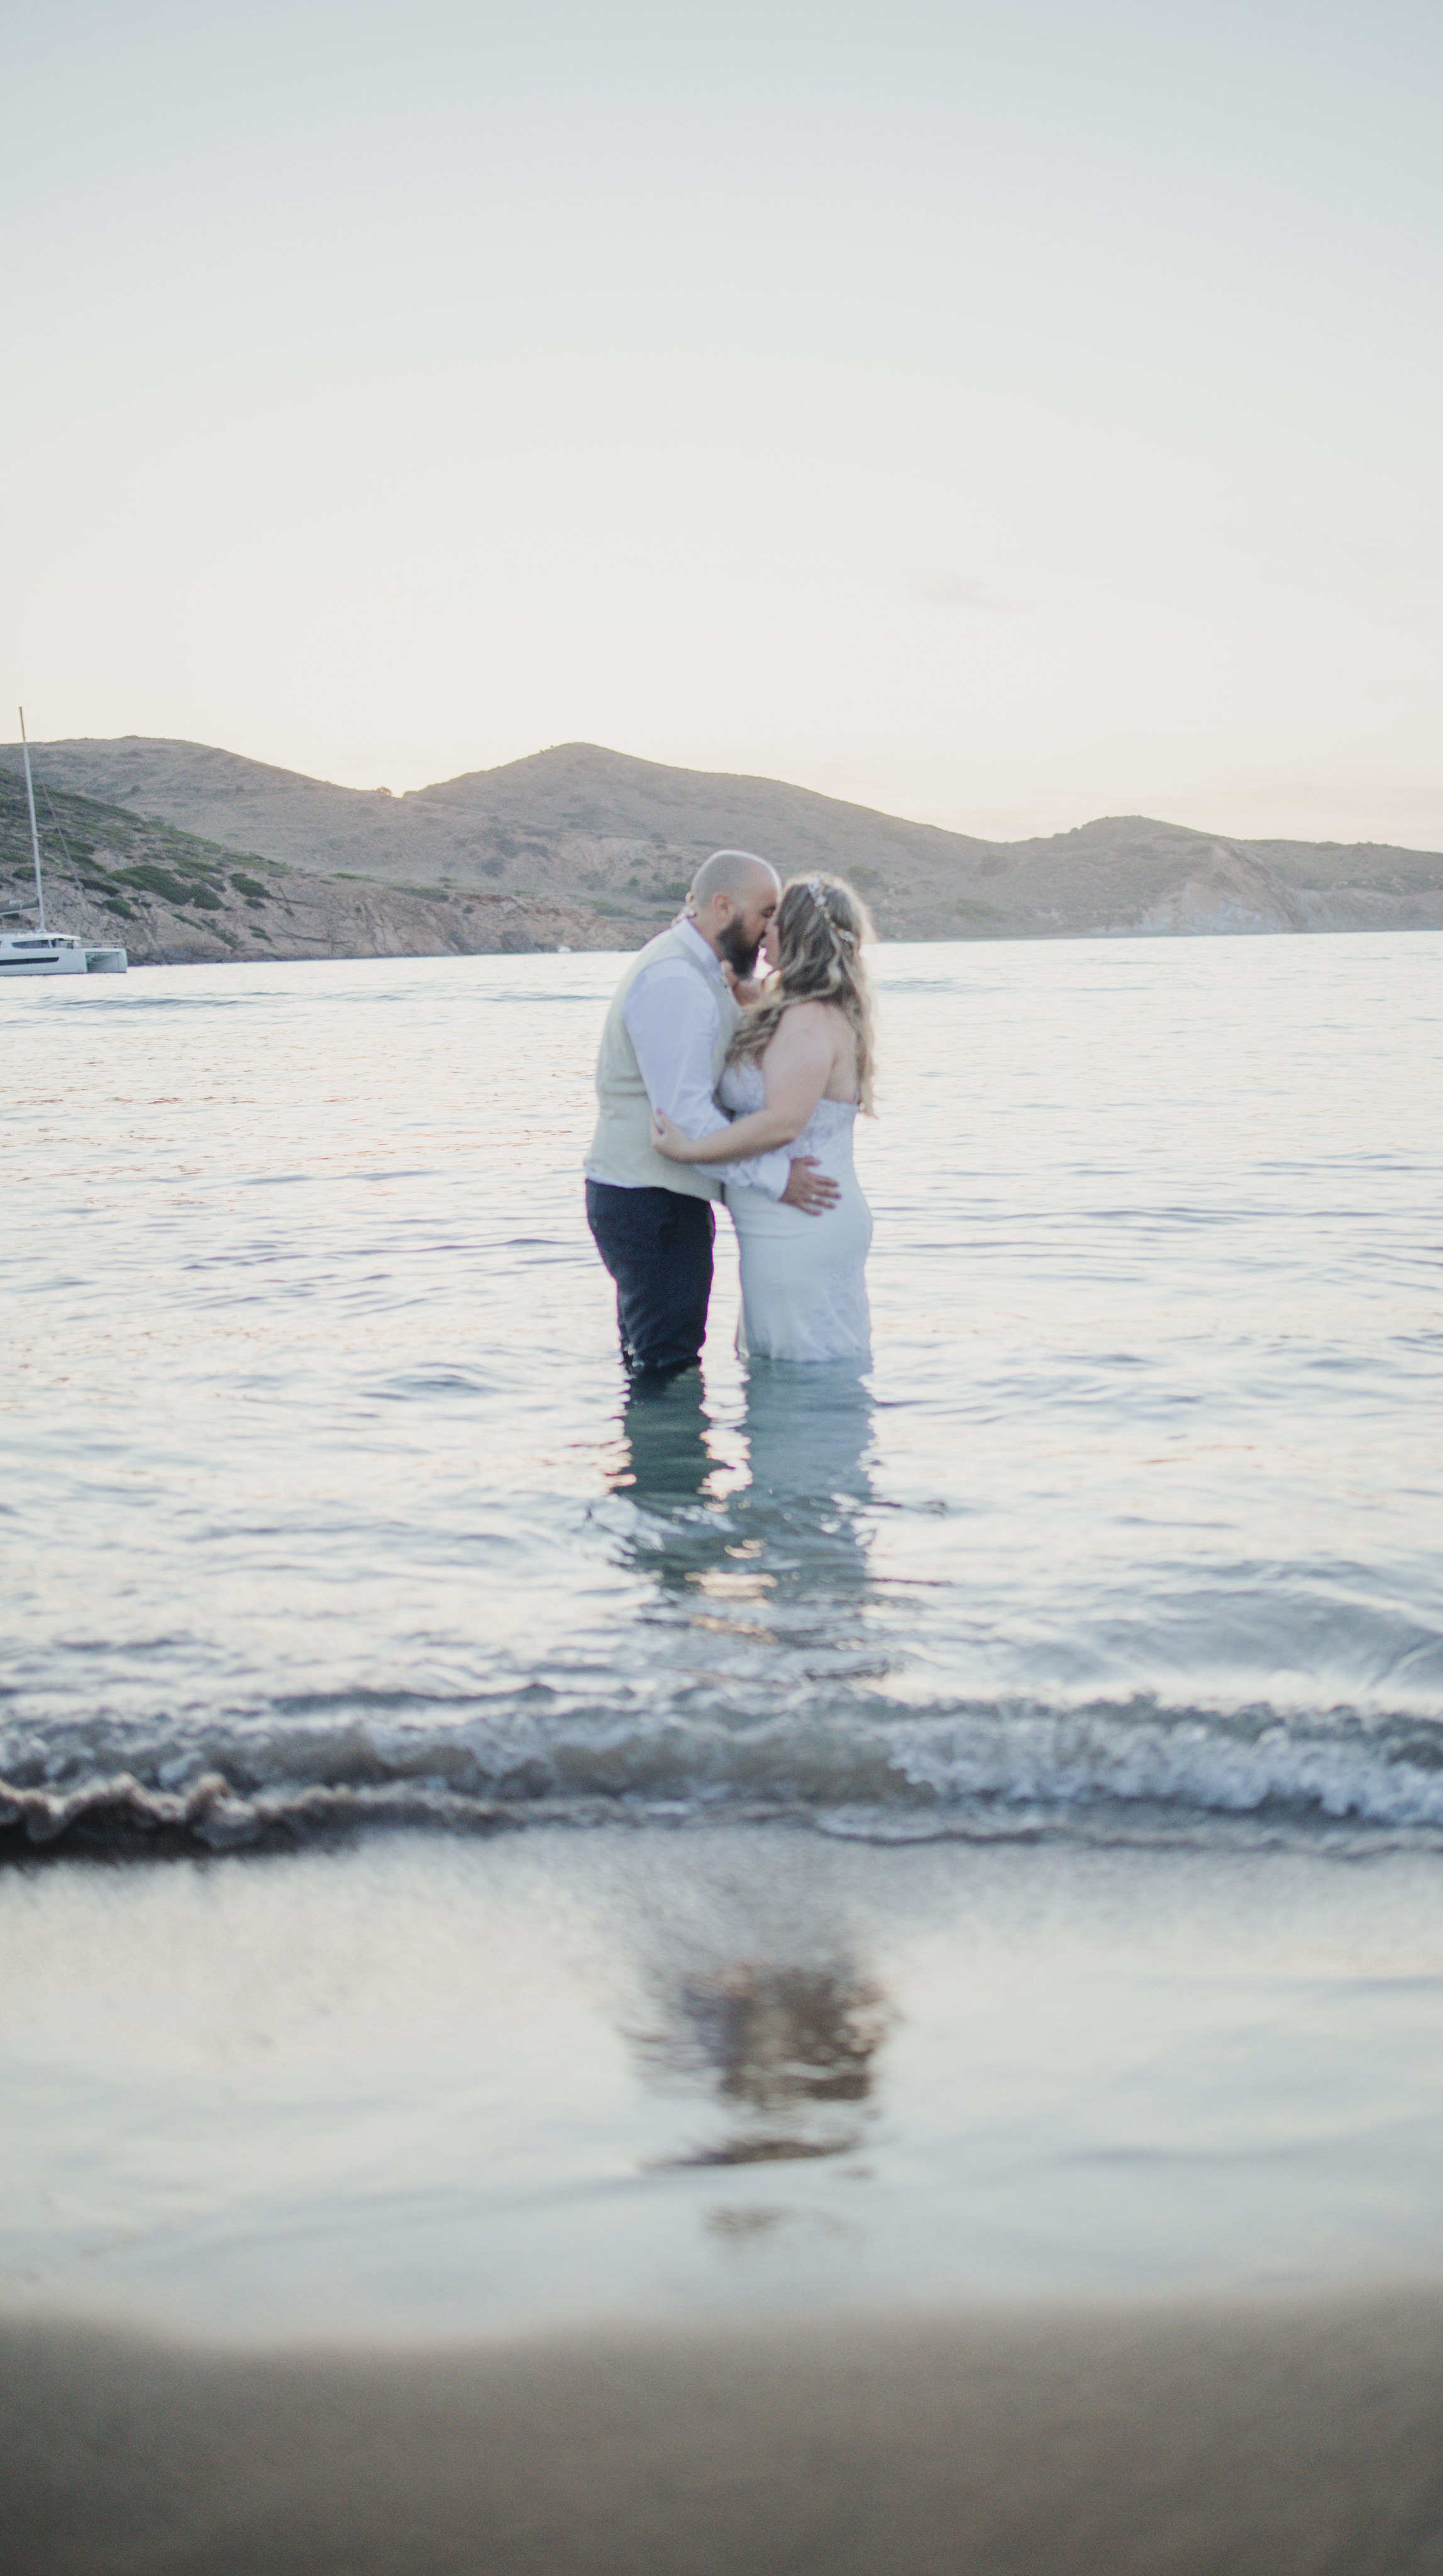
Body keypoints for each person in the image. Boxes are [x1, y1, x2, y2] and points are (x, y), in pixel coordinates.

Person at [585, 851, 840, 1380]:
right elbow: (686, 1123)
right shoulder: (676, 981)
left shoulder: (698, 969)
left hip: (660, 1199)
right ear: (723, 906)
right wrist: (777, 1180)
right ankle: (667, 1460)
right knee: (666, 1366)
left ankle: (660, 1456)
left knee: (655, 1361)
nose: (773, 928)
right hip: (650, 1201)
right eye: (766, 913)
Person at [650, 873, 874, 1363]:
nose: (763, 930)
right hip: (783, 1218)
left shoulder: (809, 1018)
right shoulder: (792, 1008)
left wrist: (687, 1150)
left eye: (774, 920)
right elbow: (760, 1009)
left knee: (804, 1371)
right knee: (777, 1369)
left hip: (804, 1218)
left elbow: (781, 1123)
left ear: (797, 933)